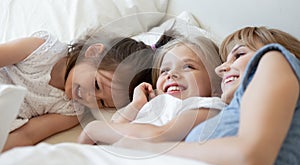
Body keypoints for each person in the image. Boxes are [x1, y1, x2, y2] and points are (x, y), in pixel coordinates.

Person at [114, 26, 300, 165]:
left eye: (239, 54)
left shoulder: (276, 58)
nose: (221, 69)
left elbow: (249, 157)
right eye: (225, 61)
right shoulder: (234, 111)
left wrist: (150, 148)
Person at [0, 29, 159, 152]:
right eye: (96, 85)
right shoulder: (42, 51)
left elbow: (27, 135)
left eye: (101, 102)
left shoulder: (71, 111)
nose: (90, 98)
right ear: (92, 53)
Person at [77, 36, 226, 145]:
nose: (171, 74)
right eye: (164, 70)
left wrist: (93, 129)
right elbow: (113, 126)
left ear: (215, 84)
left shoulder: (208, 106)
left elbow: (159, 136)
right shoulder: (153, 105)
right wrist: (136, 105)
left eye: (188, 67)